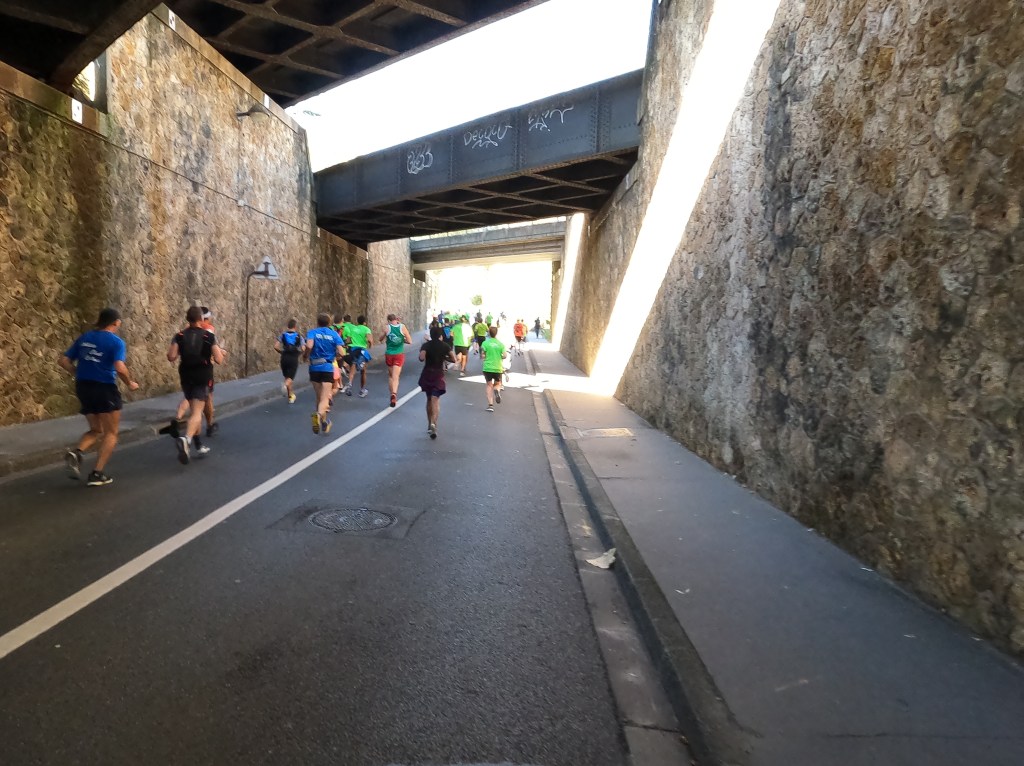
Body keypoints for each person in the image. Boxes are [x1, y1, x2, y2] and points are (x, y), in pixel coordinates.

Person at [59, 307, 140, 486]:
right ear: (116, 323)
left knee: (96, 430)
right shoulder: (116, 342)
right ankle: (97, 473)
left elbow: (63, 360)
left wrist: (77, 372)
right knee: (111, 433)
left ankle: (77, 453)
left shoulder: (85, 337)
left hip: (83, 387)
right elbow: (119, 367)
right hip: (104, 388)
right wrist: (130, 383)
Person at [167, 306, 224, 464]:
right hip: (202, 375)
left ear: (188, 319)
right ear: (201, 319)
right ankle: (187, 439)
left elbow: (171, 356)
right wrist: (218, 352)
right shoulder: (208, 336)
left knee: (193, 410)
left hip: (186, 375)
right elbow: (219, 359)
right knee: (197, 413)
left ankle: (198, 445)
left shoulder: (179, 336)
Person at [303, 313, 345, 434]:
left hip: (314, 367)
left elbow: (309, 345)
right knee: (325, 398)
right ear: (329, 323)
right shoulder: (334, 334)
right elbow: (342, 353)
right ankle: (318, 415)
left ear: (317, 322)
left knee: (319, 397)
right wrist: (335, 355)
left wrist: (306, 356)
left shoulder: (312, 332)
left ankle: (324, 423)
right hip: (327, 368)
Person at [418, 322, 456, 439]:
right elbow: (454, 359)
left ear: (431, 334)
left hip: (427, 373)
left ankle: (429, 424)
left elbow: (421, 358)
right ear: (440, 335)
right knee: (435, 399)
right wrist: (444, 357)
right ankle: (434, 423)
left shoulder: (426, 345)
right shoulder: (445, 346)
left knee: (429, 399)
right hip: (438, 375)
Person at [379, 313, 412, 407]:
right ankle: (394, 394)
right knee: (396, 376)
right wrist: (402, 340)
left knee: (390, 376)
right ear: (396, 319)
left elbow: (380, 339)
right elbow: (410, 341)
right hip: (399, 354)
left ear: (388, 320)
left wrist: (385, 335)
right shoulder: (402, 327)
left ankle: (391, 394)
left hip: (389, 354)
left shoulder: (387, 328)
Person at [199, 307, 220, 436]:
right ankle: (209, 425)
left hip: (187, 370)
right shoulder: (209, 330)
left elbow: (172, 355)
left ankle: (180, 416)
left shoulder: (184, 332)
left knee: (191, 399)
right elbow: (218, 358)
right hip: (204, 369)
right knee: (207, 398)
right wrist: (221, 352)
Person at [274, 318, 303, 403]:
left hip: (284, 357)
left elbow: (275, 346)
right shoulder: (299, 336)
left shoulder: (283, 335)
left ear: (288, 326)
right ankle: (285, 385)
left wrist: (281, 352)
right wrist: (300, 353)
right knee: (290, 378)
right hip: (293, 358)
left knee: (287, 377)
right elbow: (303, 348)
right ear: (295, 327)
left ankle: (290, 396)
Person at [479, 325, 507, 413]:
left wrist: (485, 356)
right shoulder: (500, 344)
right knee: (497, 384)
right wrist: (499, 356)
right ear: (496, 333)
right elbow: (505, 355)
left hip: (487, 367)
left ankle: (490, 405)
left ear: (489, 333)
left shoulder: (485, 343)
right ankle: (497, 390)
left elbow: (482, 355)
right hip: (498, 367)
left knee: (489, 385)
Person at [346, 315, 373, 397]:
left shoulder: (353, 329)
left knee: (353, 368)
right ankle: (362, 390)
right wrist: (370, 345)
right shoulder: (366, 329)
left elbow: (348, 340)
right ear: (364, 322)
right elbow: (370, 340)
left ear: (357, 321)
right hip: (361, 351)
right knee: (363, 371)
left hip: (353, 350)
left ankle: (349, 384)